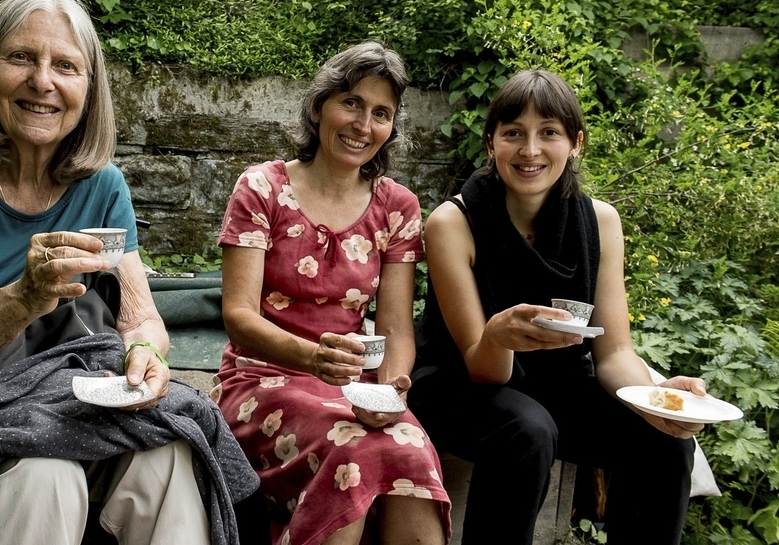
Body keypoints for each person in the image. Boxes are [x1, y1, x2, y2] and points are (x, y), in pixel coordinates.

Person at [0, 0, 256, 545]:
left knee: (167, 452)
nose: (42, 81)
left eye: (65, 66)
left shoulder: (101, 187)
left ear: (87, 90)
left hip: (59, 390)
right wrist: (23, 298)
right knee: (44, 474)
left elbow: (139, 319)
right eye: (21, 57)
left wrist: (143, 352)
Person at [409, 69, 703, 545]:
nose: (530, 150)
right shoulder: (453, 222)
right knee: (527, 428)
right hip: (459, 384)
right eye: (513, 134)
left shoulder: (601, 221)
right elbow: (482, 368)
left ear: (576, 143)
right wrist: (498, 335)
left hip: (560, 386)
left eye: (549, 133)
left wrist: (657, 398)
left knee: (664, 440)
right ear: (491, 144)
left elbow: (613, 354)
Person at [214, 42, 451, 545]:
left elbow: (394, 327)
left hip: (350, 388)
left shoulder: (397, 207)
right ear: (320, 104)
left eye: (381, 113)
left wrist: (390, 391)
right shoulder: (262, 188)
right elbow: (238, 316)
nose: (364, 124)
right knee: (351, 454)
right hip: (260, 380)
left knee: (410, 450)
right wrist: (313, 357)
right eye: (352, 103)